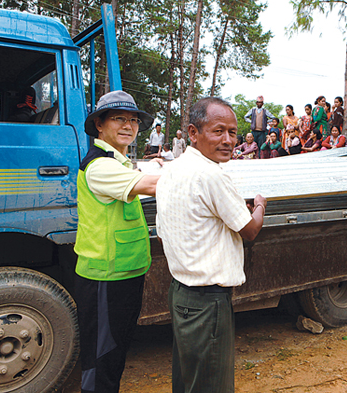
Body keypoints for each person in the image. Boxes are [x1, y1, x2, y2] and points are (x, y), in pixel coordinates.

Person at [156, 97, 267, 393]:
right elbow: (250, 230)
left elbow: (168, 230)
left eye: (233, 132)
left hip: (181, 293)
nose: (228, 140)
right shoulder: (212, 175)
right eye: (218, 131)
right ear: (193, 133)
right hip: (208, 303)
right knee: (211, 386)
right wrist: (259, 205)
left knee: (189, 380)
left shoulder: (171, 170)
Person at [73, 90, 160, 393]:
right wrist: (198, 171)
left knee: (115, 354)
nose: (128, 126)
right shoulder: (100, 166)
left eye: (134, 120)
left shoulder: (119, 162)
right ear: (99, 123)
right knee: (101, 362)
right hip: (104, 278)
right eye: (119, 119)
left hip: (125, 273)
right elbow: (151, 184)